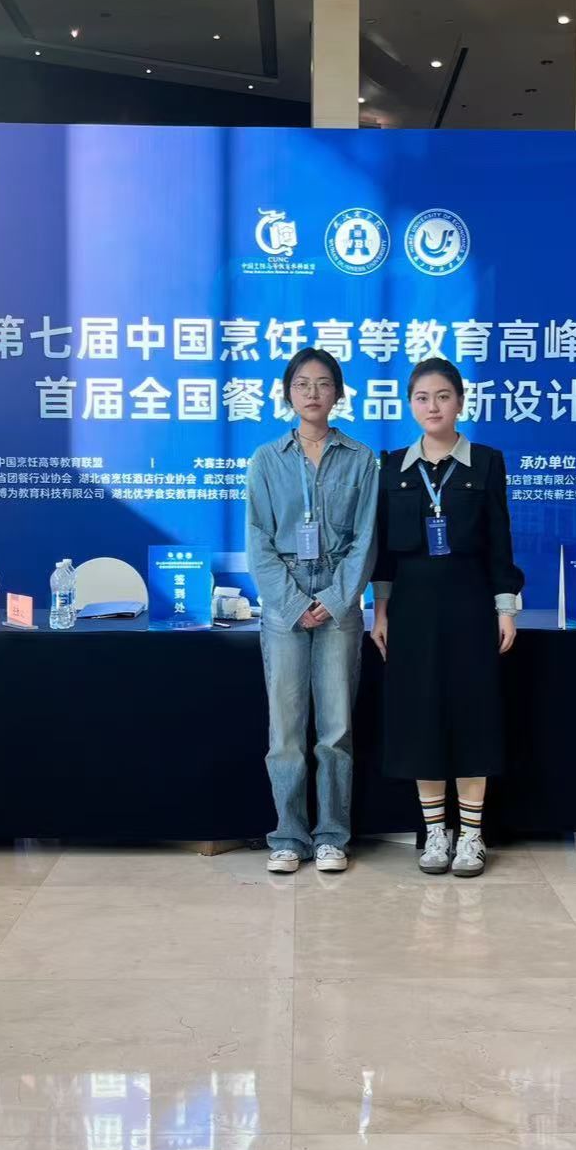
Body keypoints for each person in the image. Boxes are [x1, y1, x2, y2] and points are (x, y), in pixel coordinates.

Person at [371, 357, 523, 878]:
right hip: (411, 610)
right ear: (410, 405)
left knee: (472, 713)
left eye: (442, 396)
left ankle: (472, 836)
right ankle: (436, 832)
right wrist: (381, 612)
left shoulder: (486, 462)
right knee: (421, 716)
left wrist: (505, 609)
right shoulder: (393, 466)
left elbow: (500, 542)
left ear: (459, 401)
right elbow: (384, 554)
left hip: (470, 604)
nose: (432, 406)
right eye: (422, 398)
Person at [245, 348, 379, 875]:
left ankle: (331, 837)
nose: (313, 393)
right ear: (288, 393)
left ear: (338, 393)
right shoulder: (266, 459)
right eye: (302, 384)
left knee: (336, 730)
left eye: (324, 384)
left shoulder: (360, 458)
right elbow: (258, 540)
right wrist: (296, 603)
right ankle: (288, 836)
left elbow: (365, 540)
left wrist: (333, 600)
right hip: (284, 606)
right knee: (285, 730)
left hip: (339, 604)